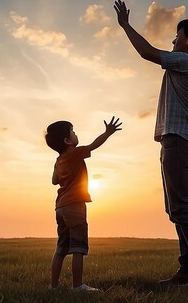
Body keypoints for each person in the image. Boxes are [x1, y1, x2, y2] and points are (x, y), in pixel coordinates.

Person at [113, 0, 188, 290]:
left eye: (177, 36)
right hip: (179, 141)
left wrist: (125, 25)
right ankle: (187, 271)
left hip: (180, 141)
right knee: (175, 209)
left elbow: (148, 52)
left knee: (181, 208)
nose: (173, 41)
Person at [46, 117, 122, 291]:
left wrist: (59, 161)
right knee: (78, 247)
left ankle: (54, 286)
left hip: (60, 207)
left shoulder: (59, 161)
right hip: (75, 205)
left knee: (61, 248)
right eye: (73, 131)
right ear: (67, 140)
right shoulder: (75, 153)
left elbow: (54, 181)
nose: (75, 133)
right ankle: (78, 286)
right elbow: (94, 145)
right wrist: (107, 133)